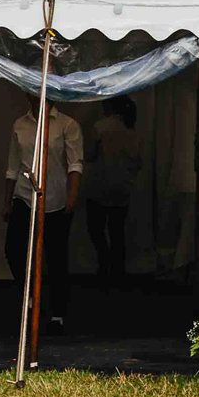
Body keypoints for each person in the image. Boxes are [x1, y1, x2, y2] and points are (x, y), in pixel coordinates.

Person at [6, 99, 85, 337]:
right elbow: (13, 166)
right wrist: (6, 200)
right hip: (24, 194)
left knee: (55, 255)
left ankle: (57, 313)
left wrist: (72, 195)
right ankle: (29, 298)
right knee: (14, 249)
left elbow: (75, 164)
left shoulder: (66, 125)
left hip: (54, 198)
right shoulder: (20, 124)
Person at [84, 96, 141, 287]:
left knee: (96, 229)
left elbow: (89, 155)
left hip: (100, 185)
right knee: (117, 232)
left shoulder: (100, 127)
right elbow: (137, 161)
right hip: (123, 187)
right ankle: (118, 271)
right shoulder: (132, 129)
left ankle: (104, 263)